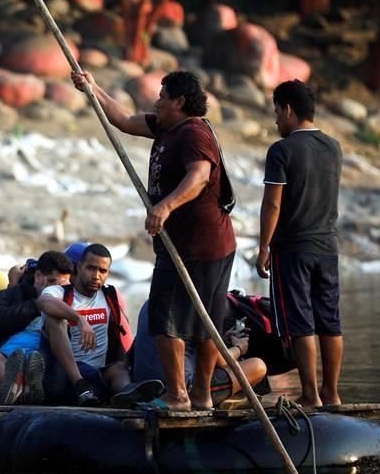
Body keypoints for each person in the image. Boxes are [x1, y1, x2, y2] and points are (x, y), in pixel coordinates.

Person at [71, 70, 237, 411]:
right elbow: (126, 121)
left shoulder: (192, 132)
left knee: (177, 322)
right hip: (193, 244)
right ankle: (197, 396)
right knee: (188, 320)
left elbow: (200, 175)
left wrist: (165, 206)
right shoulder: (167, 127)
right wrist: (93, 88)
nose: (156, 101)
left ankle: (182, 396)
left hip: (200, 245)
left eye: (162, 96)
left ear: (179, 102)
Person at [256, 79, 343, 407]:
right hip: (327, 247)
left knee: (300, 321)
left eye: (277, 112)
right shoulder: (333, 146)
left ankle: (310, 395)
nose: (276, 120)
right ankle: (331, 393)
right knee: (330, 320)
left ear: (289, 110)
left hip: (292, 248)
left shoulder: (281, 150)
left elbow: (272, 204)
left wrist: (264, 246)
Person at [36, 243, 162, 408]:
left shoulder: (110, 295)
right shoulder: (60, 292)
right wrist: (80, 319)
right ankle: (80, 385)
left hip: (97, 377)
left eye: (102, 271)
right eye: (91, 268)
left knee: (118, 369)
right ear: (79, 267)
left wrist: (126, 362)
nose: (96, 276)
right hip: (63, 378)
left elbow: (121, 335)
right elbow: (43, 302)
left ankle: (130, 395)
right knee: (55, 319)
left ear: (108, 273)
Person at [130, 300, 269, 408]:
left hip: (144, 383)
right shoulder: (197, 304)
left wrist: (222, 340)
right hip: (179, 388)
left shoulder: (150, 303)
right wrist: (239, 348)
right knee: (258, 366)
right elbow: (221, 361)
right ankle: (220, 399)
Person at [0, 250, 75, 405]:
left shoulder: (71, 300)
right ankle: (13, 390)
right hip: (7, 354)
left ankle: (28, 388)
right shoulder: (12, 294)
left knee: (35, 363)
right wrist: (35, 306)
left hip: (42, 358)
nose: (58, 290)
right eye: (53, 282)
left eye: (63, 285)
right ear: (38, 276)